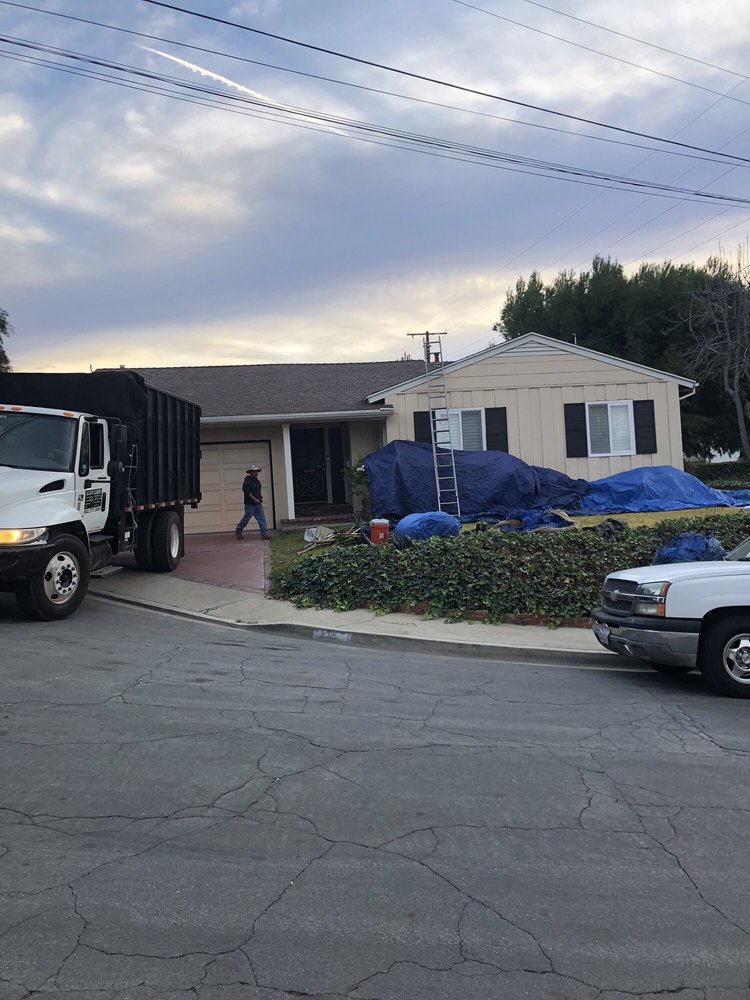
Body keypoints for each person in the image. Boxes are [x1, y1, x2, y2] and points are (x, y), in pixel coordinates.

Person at [235, 465, 271, 540]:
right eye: (254, 472)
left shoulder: (257, 481)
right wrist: (254, 499)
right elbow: (247, 492)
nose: (255, 473)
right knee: (246, 519)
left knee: (262, 519)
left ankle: (264, 534)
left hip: (258, 504)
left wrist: (259, 499)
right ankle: (238, 530)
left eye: (256, 472)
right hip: (250, 504)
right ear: (250, 473)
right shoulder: (247, 481)